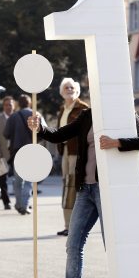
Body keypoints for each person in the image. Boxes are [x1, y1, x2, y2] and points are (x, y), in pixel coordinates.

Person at [28, 108, 139, 278]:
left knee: (114, 247)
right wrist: (40, 127)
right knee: (73, 245)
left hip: (107, 191)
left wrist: (118, 142)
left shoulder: (123, 109)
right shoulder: (87, 115)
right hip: (85, 190)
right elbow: (59, 134)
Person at [55, 78, 89, 236]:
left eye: (72, 87)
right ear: (62, 92)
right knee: (66, 186)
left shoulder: (83, 108)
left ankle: (75, 226)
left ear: (77, 90)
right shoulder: (62, 110)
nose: (69, 89)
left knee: (75, 187)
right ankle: (68, 225)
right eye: (66, 88)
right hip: (66, 151)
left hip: (77, 152)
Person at [3, 94, 34, 215]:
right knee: (29, 180)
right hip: (32, 151)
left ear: (18, 104)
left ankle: (19, 203)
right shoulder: (35, 115)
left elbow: (6, 134)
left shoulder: (13, 117)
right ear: (30, 103)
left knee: (18, 180)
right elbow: (44, 131)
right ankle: (24, 204)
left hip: (17, 152)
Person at [0, 96, 14, 210]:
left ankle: (22, 201)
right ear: (3, 106)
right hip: (2, 154)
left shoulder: (17, 117)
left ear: (13, 106)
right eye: (6, 105)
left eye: (10, 104)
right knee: (2, 179)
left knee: (20, 179)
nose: (8, 107)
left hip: (16, 153)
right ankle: (6, 202)